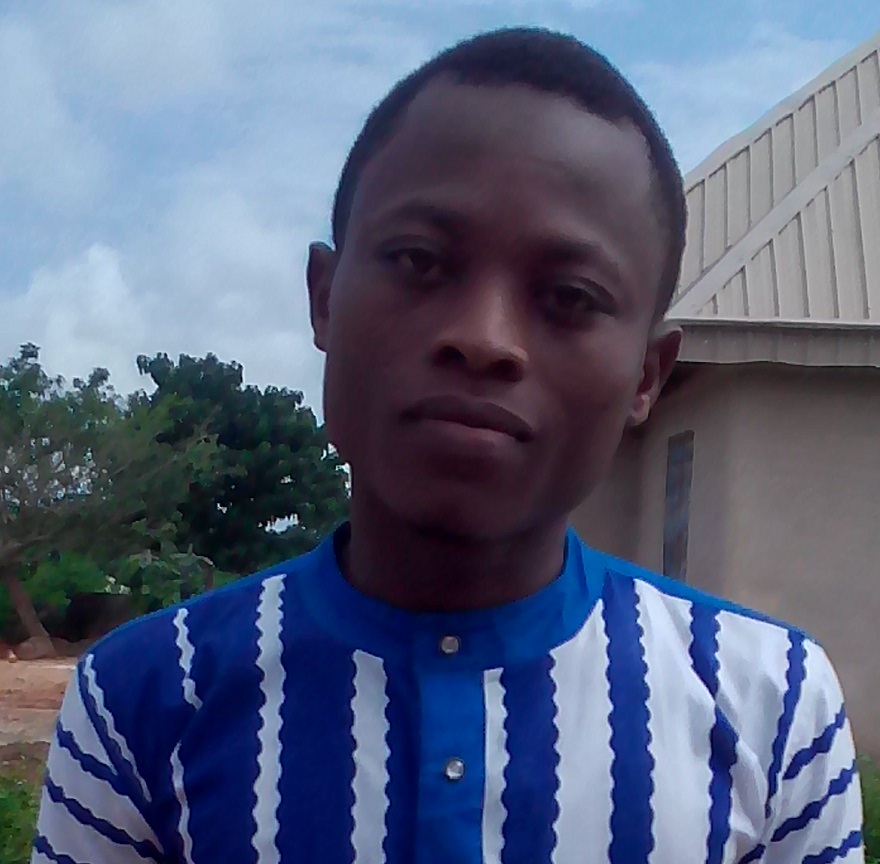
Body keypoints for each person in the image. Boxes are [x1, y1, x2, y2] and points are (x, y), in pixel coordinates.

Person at [31, 27, 864, 864]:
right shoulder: (145, 701)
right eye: (420, 261)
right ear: (324, 299)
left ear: (647, 375)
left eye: (570, 297)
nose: (483, 337)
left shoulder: (770, 707)